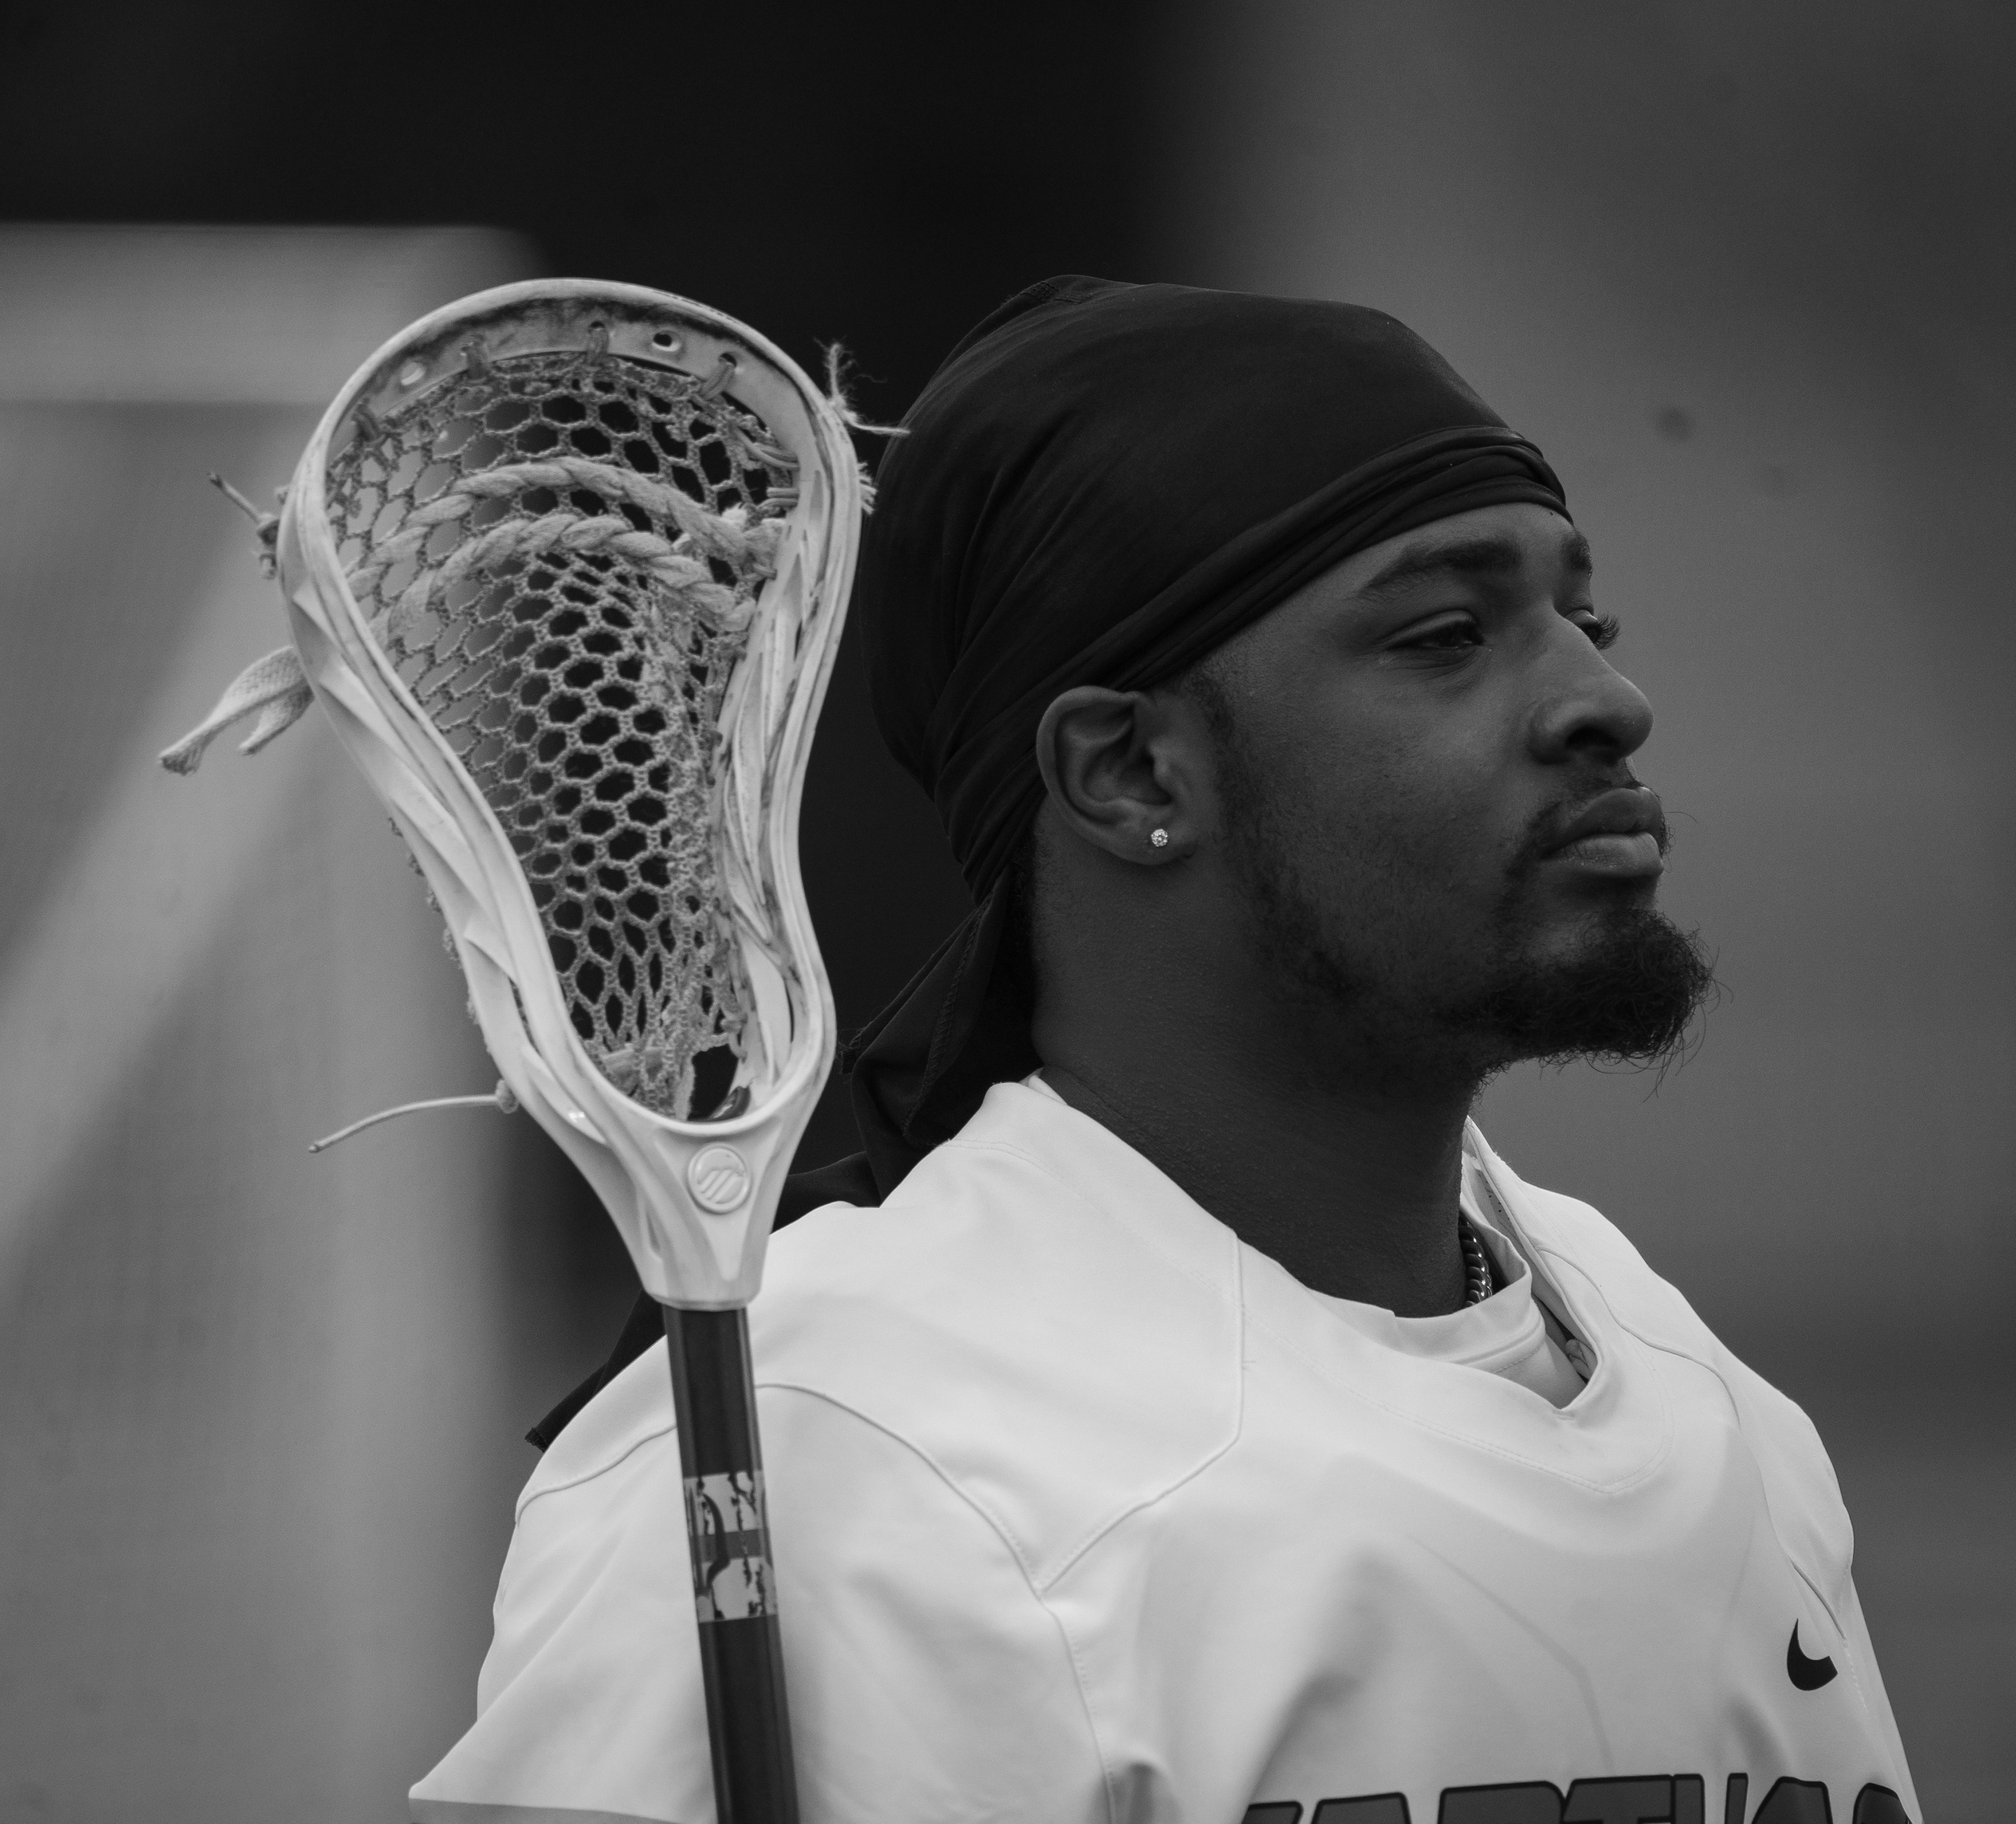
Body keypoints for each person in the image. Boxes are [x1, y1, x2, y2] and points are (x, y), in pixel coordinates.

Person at [411, 279, 1918, 1824]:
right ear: (1132, 772)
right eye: (1448, 635)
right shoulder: (838, 1445)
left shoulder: (1693, 1383)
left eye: (1583, 622)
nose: (1609, 699)